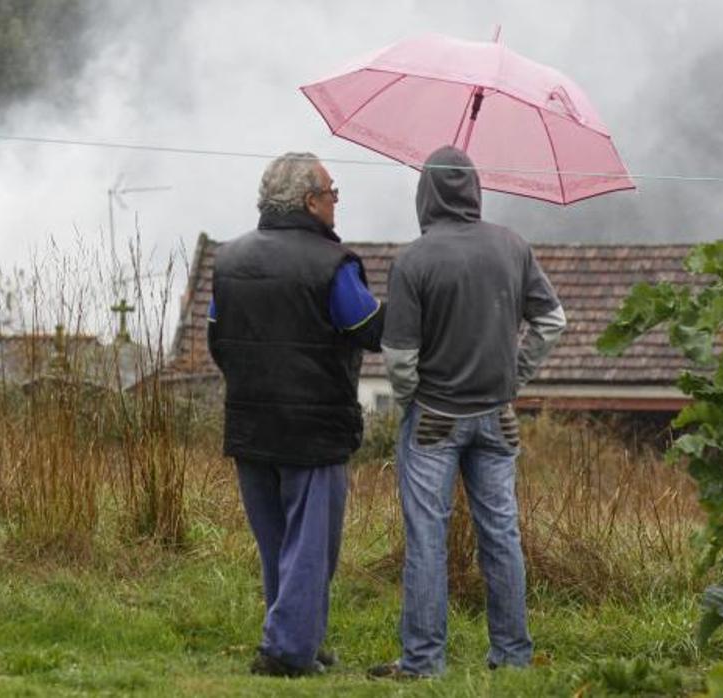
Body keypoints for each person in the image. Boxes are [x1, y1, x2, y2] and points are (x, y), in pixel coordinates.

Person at [371, 145, 566, 679]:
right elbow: (552, 323)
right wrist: (514, 377)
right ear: (475, 190)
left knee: (427, 539)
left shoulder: (414, 259)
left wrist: (412, 404)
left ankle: (423, 662)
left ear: (425, 194)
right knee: (502, 535)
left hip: (433, 417)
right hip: (499, 417)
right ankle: (513, 657)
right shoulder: (512, 246)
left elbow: (400, 358)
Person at [207, 152, 384, 677]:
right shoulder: (332, 266)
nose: (336, 203)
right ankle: (286, 653)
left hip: (249, 423)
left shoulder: (228, 260)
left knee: (276, 544)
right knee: (310, 547)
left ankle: (300, 638)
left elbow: (219, 340)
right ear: (310, 202)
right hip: (315, 428)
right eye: (332, 194)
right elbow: (368, 329)